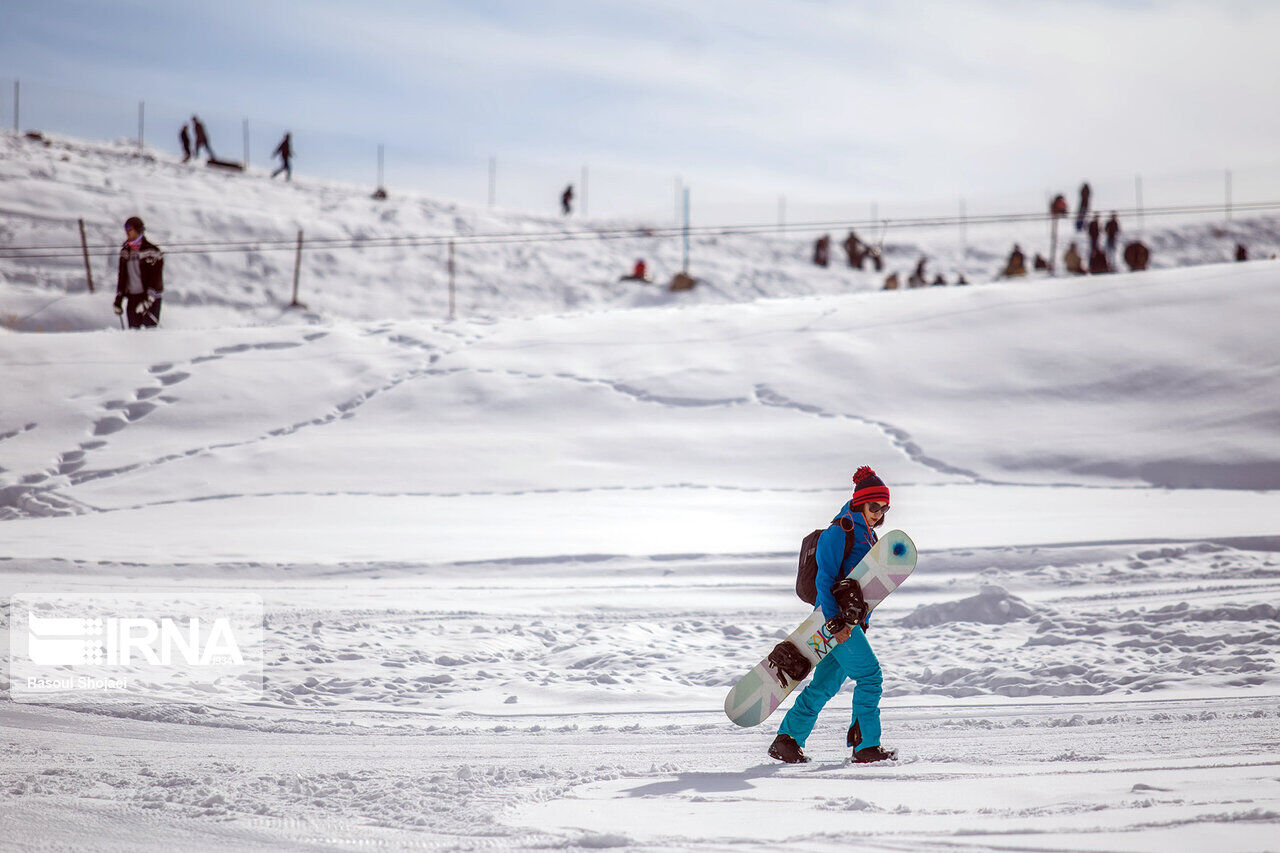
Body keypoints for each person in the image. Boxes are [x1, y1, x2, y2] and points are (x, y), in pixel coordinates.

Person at [768, 466, 897, 765]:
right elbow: (823, 581)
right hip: (836, 622)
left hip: (849, 624)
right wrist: (835, 624)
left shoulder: (869, 536)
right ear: (859, 503)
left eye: (884, 507)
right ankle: (865, 746)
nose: (878, 513)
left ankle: (787, 741)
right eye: (873, 506)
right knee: (870, 677)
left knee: (824, 685)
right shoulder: (840, 531)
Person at [113, 217, 164, 328]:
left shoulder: (152, 251)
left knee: (149, 332)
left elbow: (156, 277)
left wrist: (148, 300)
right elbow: (122, 276)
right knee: (133, 333)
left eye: (129, 229)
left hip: (150, 297)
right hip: (133, 297)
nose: (127, 232)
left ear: (138, 230)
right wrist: (119, 298)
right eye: (126, 229)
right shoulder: (125, 251)